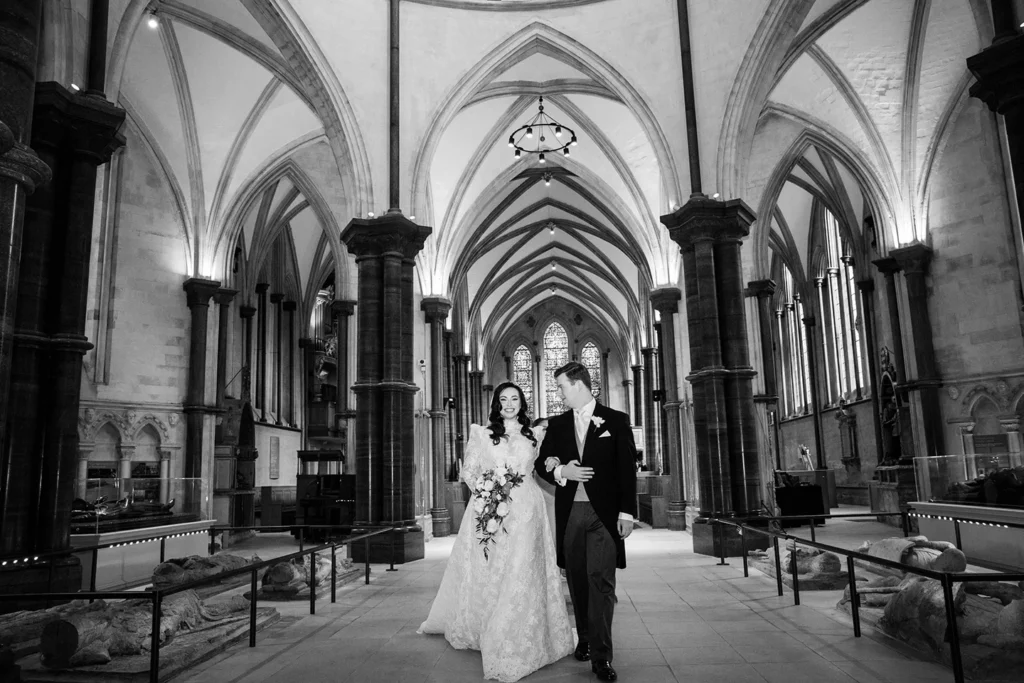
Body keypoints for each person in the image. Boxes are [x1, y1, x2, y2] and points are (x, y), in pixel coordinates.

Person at [419, 383, 573, 682]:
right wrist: (488, 493)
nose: (509, 404)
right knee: (493, 567)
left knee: (523, 568)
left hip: (528, 510)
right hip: (493, 509)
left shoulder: (536, 434)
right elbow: (470, 471)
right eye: (503, 399)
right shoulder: (482, 433)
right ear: (496, 404)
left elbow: (544, 464)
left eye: (514, 399)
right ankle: (487, 624)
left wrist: (561, 468)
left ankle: (523, 627)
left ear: (522, 402)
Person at [535, 361, 637, 683]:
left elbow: (626, 470)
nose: (560, 393)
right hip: (571, 515)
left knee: (602, 583)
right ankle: (586, 638)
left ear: (578, 384)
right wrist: (562, 471)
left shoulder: (616, 421)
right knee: (578, 581)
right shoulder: (558, 424)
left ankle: (603, 656)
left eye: (562, 386)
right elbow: (541, 463)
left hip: (604, 516)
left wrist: (627, 513)